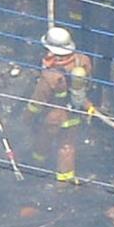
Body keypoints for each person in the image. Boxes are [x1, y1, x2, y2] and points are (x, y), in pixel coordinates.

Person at [26, 26, 94, 185]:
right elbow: (88, 83)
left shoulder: (51, 75)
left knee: (42, 140)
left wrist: (27, 117)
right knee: (67, 145)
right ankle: (64, 180)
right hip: (75, 113)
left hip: (52, 116)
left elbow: (38, 101)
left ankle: (36, 168)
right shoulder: (82, 61)